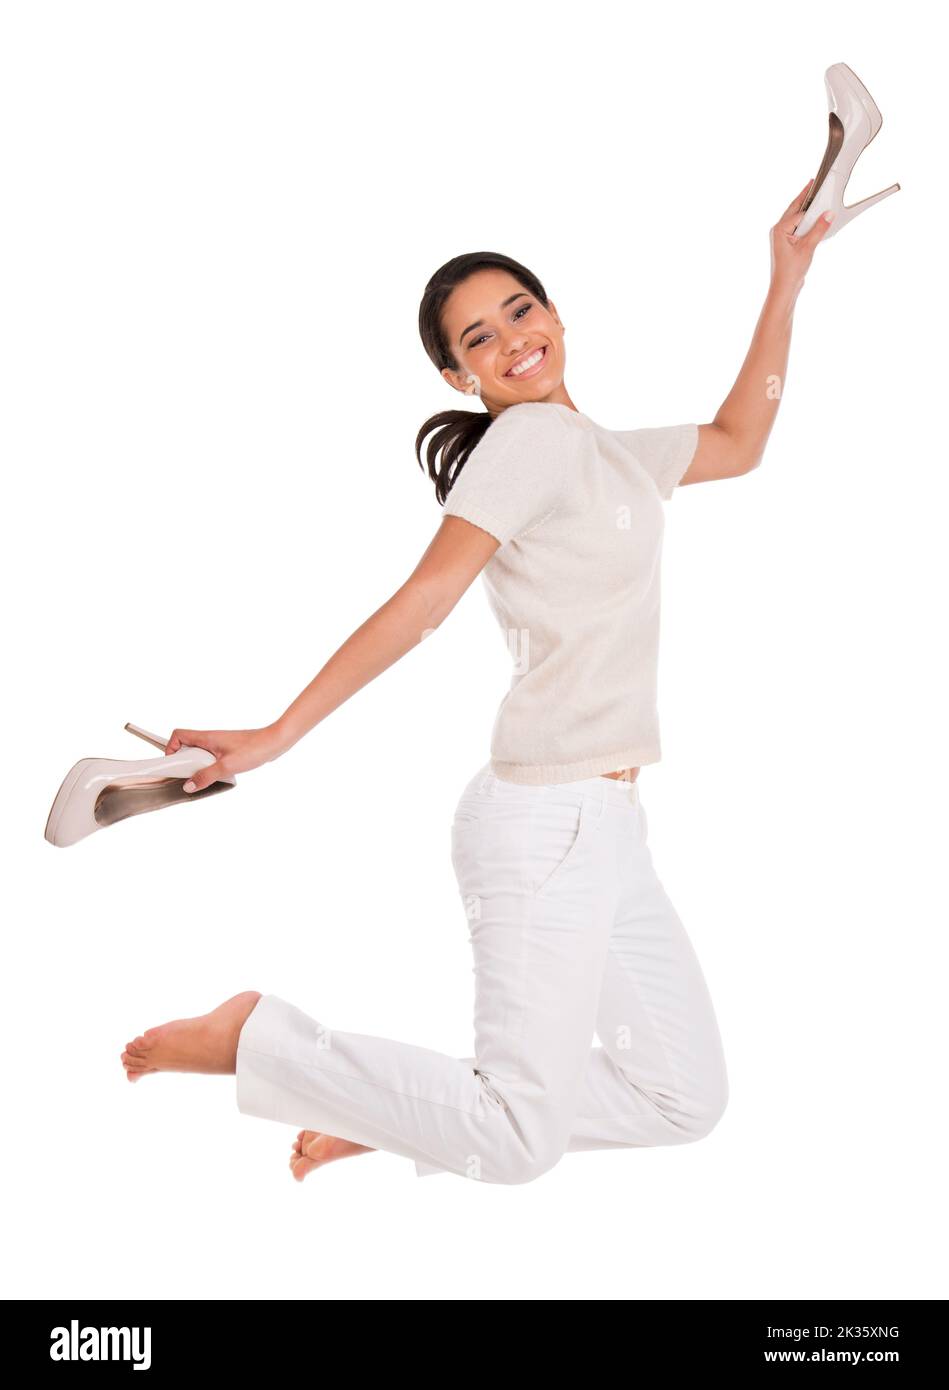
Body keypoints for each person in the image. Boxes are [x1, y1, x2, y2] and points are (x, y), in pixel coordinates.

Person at [119, 183, 834, 1184]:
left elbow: (739, 444)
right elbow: (422, 604)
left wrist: (786, 275)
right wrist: (279, 732)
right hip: (545, 817)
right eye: (478, 337)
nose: (510, 338)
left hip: (609, 824)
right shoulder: (529, 444)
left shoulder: (600, 454)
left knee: (683, 1094)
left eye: (519, 310)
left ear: (555, 316)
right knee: (515, 1144)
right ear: (457, 374)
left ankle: (410, 1107)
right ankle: (259, 1041)